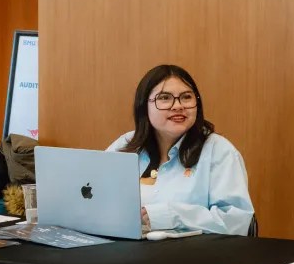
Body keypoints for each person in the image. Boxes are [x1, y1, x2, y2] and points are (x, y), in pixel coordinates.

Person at [106, 65, 254, 236]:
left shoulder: (219, 151)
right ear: (144, 105)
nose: (178, 106)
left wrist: (172, 215)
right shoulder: (126, 145)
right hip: (123, 246)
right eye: (165, 98)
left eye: (186, 97)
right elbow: (96, 198)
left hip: (192, 251)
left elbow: (236, 222)